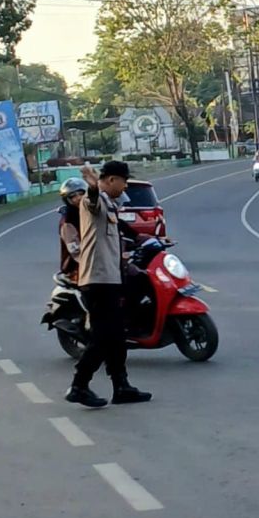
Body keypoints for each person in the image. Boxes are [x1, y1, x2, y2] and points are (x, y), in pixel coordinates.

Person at [65, 161, 152, 409]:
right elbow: (92, 201)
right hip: (97, 280)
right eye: (124, 181)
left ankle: (121, 386)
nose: (126, 186)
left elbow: (120, 221)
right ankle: (79, 385)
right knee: (103, 336)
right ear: (112, 180)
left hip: (110, 279)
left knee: (116, 336)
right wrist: (93, 187)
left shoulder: (110, 205)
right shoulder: (92, 201)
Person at [57, 177, 87, 281]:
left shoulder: (89, 214)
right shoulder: (68, 221)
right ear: (67, 200)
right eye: (73, 196)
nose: (78, 198)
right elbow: (75, 250)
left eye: (81, 194)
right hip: (77, 269)